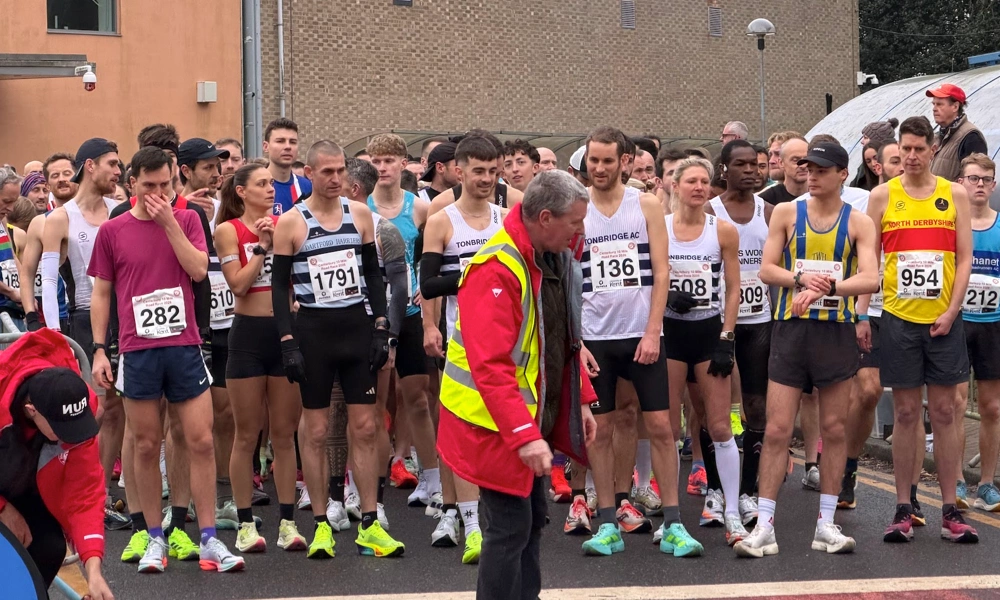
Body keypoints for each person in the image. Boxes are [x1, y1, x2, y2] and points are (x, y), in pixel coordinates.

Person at [436, 169, 597, 600]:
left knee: (527, 524)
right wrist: (525, 435)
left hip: (517, 422)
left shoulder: (548, 255)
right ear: (545, 218)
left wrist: (581, 398)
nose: (581, 231)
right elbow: (490, 366)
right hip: (493, 425)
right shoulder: (496, 267)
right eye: (575, 222)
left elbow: (560, 338)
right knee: (509, 530)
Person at [88, 146, 245, 573]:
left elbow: (198, 270)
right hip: (137, 349)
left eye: (166, 185)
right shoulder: (113, 230)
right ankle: (154, 536)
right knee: (144, 443)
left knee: (199, 439)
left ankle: (208, 538)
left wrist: (170, 223)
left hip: (183, 345)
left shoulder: (188, 220)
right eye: (150, 185)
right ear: (132, 184)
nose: (159, 193)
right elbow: (102, 293)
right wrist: (100, 349)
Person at [735, 141, 879, 558]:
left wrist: (829, 287)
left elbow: (871, 278)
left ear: (842, 174)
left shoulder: (858, 222)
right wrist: (801, 279)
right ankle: (764, 526)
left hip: (834, 333)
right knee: (778, 429)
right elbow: (767, 269)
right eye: (808, 168)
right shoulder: (786, 212)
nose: (811, 176)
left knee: (833, 430)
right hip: (791, 331)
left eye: (821, 170)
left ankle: (826, 524)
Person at [270, 140, 404, 559]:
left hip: (356, 329)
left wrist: (381, 327)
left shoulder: (359, 214)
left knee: (365, 427)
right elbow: (278, 287)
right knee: (315, 431)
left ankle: (369, 523)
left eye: (340, 171)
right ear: (309, 173)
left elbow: (373, 275)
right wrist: (287, 341)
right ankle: (321, 524)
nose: (335, 179)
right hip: (314, 332)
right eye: (326, 171)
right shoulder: (291, 222)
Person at [577, 126, 702, 557]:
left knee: (662, 427)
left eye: (607, 160)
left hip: (642, 335)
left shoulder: (645, 204)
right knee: (600, 430)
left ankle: (674, 524)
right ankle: (607, 523)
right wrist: (578, 342)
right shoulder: (578, 207)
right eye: (593, 160)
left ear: (624, 162)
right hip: (595, 338)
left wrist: (653, 331)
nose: (599, 168)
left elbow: (662, 272)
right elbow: (570, 278)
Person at [867, 116, 977, 544]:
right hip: (898, 318)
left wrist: (952, 310)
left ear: (933, 149)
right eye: (905, 149)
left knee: (946, 412)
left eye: (918, 149)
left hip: (943, 319)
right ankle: (903, 507)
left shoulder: (954, 194)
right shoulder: (882, 196)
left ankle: (950, 509)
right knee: (907, 414)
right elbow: (868, 260)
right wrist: (860, 314)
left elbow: (964, 258)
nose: (911, 157)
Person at [420, 136, 505, 564]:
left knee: (497, 431)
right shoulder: (442, 221)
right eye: (478, 171)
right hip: (459, 340)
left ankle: (482, 514)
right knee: (459, 429)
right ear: (459, 171)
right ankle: (467, 521)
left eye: (492, 171)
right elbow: (428, 284)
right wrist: (430, 325)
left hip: (504, 343)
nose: (486, 179)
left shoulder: (507, 219)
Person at [214, 163, 307, 553]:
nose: (271, 189)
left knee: (284, 434)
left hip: (284, 333)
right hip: (247, 336)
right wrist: (263, 248)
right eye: (262, 183)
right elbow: (238, 285)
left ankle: (288, 522)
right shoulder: (228, 230)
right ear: (241, 191)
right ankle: (246, 524)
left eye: (272, 183)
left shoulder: (287, 224)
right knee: (246, 434)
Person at [662, 156, 744, 544]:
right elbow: (649, 278)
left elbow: (734, 288)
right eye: (691, 181)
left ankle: (731, 512)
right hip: (670, 333)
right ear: (675, 186)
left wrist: (727, 337)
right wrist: (667, 295)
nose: (698, 187)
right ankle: (671, 517)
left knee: (720, 426)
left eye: (704, 181)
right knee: (668, 428)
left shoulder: (722, 230)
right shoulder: (660, 229)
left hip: (708, 331)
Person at [0, 329, 114, 599]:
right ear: (32, 411)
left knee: (49, 545)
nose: (71, 435)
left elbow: (85, 495)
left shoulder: (74, 405)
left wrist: (94, 573)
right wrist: (3, 509)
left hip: (24, 488)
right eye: (61, 428)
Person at [366, 134, 443, 516]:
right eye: (376, 161)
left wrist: (424, 291)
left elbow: (431, 258)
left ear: (402, 164)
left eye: (388, 161)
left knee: (417, 398)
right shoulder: (361, 208)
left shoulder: (420, 208)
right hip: (372, 316)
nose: (382, 168)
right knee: (373, 406)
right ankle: (368, 488)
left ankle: (433, 479)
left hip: (411, 314)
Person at [707, 140, 774, 527]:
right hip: (718, 323)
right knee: (714, 410)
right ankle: (716, 488)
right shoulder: (710, 212)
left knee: (757, 407)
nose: (751, 171)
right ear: (724, 169)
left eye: (756, 164)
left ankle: (748, 491)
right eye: (742, 165)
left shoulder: (769, 212)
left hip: (759, 322)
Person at [839, 138, 906, 512]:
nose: (903, 164)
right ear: (878, 166)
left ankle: (910, 494)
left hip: (911, 311)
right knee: (868, 390)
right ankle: (848, 465)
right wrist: (860, 313)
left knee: (909, 402)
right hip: (873, 310)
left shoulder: (932, 201)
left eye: (908, 156)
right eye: (895, 159)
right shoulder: (865, 206)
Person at [955, 154, 1000, 513]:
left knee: (992, 408)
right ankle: (955, 479)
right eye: (974, 178)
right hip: (957, 322)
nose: (980, 185)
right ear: (961, 183)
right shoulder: (953, 225)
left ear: (994, 184)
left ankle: (986, 484)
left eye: (986, 179)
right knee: (955, 405)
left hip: (993, 324)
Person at [926, 84, 988, 181]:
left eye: (939, 104)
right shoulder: (938, 137)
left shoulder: (971, 137)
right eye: (933, 104)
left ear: (955, 107)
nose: (934, 108)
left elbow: (976, 181)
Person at [263, 118, 312, 215]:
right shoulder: (252, 186)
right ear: (266, 146)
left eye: (293, 142)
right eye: (280, 141)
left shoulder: (308, 187)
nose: (288, 147)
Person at [760, 137, 808, 205]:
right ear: (781, 163)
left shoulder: (820, 196)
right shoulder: (764, 201)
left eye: (807, 160)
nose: (803, 165)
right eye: (795, 160)